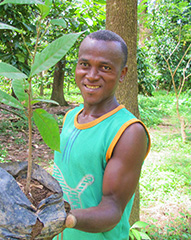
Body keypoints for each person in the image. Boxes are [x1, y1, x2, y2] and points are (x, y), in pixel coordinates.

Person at [52, 30, 151, 240]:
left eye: (105, 68)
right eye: (85, 64)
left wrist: (64, 219)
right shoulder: (71, 117)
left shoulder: (128, 132)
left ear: (122, 74)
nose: (92, 75)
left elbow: (113, 209)